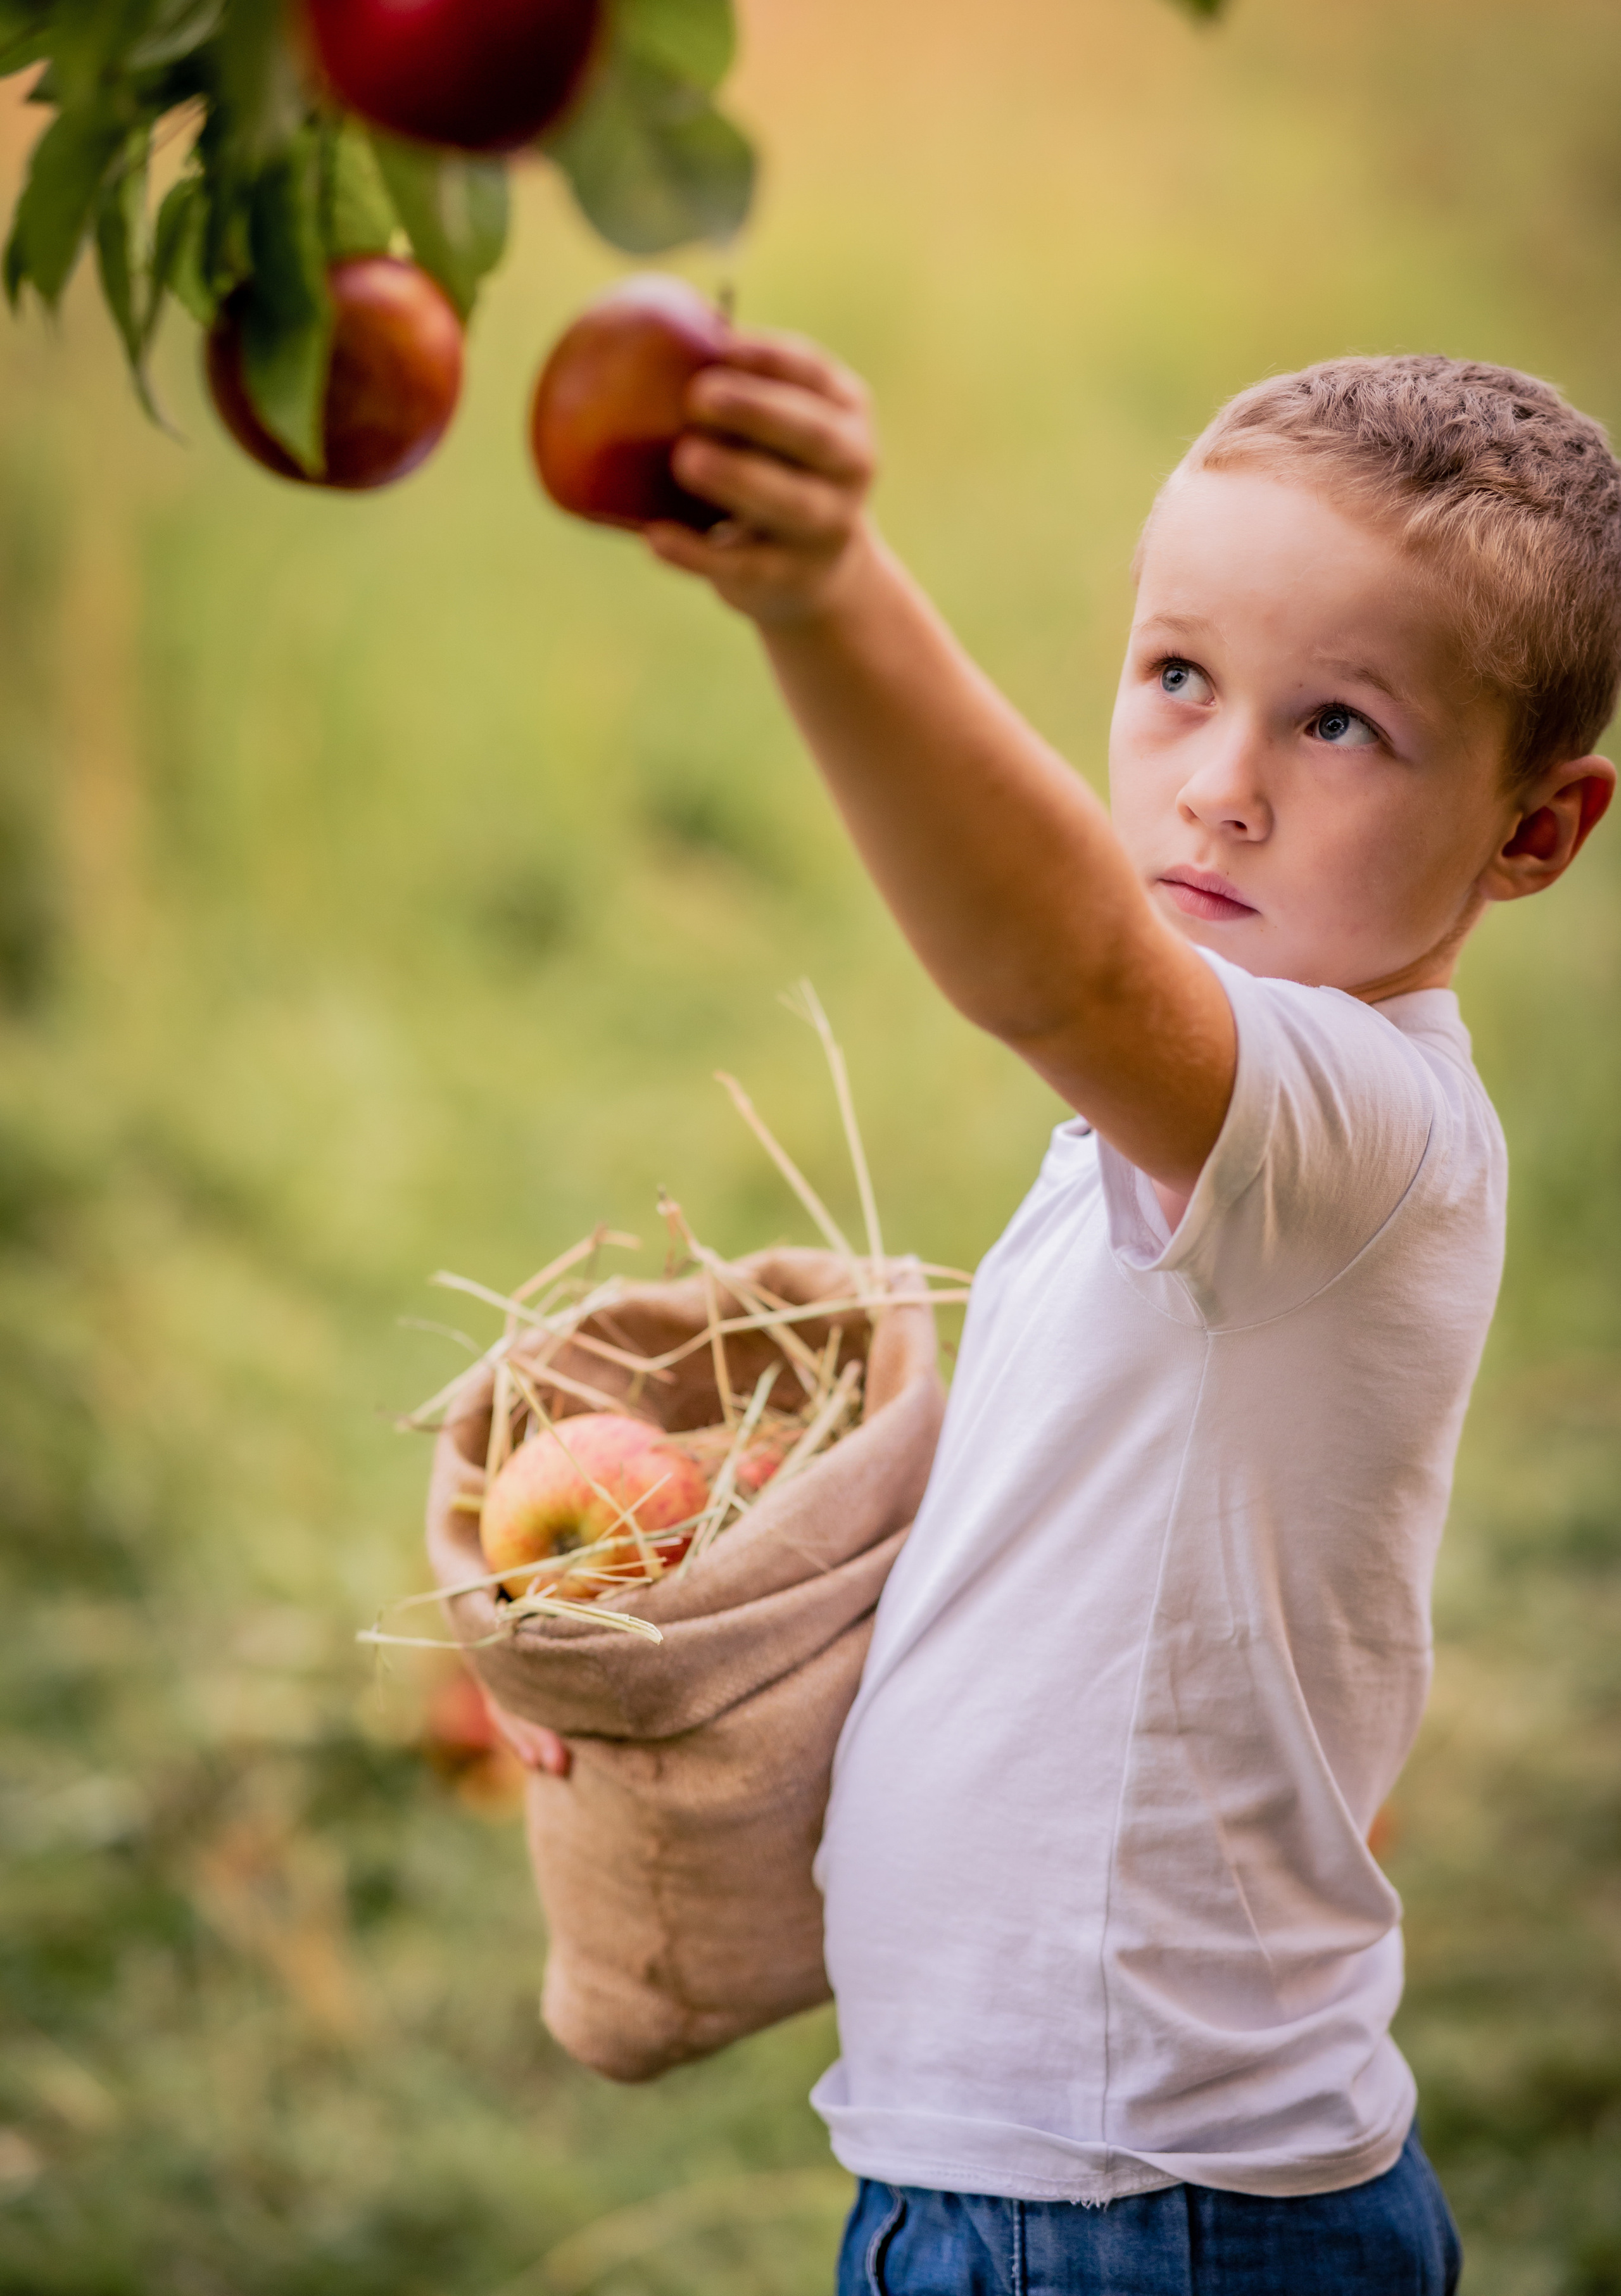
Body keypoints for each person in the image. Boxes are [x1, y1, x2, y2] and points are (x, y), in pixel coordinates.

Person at [515, 346, 1621, 2294]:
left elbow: (1066, 963)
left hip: (1131, 2215)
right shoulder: (1186, 1159)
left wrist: (824, 592)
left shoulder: (1353, 1134)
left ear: (1536, 834)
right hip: (1040, 2177)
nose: (1222, 785)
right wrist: (691, 1661)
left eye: (1343, 724)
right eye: (1179, 675)